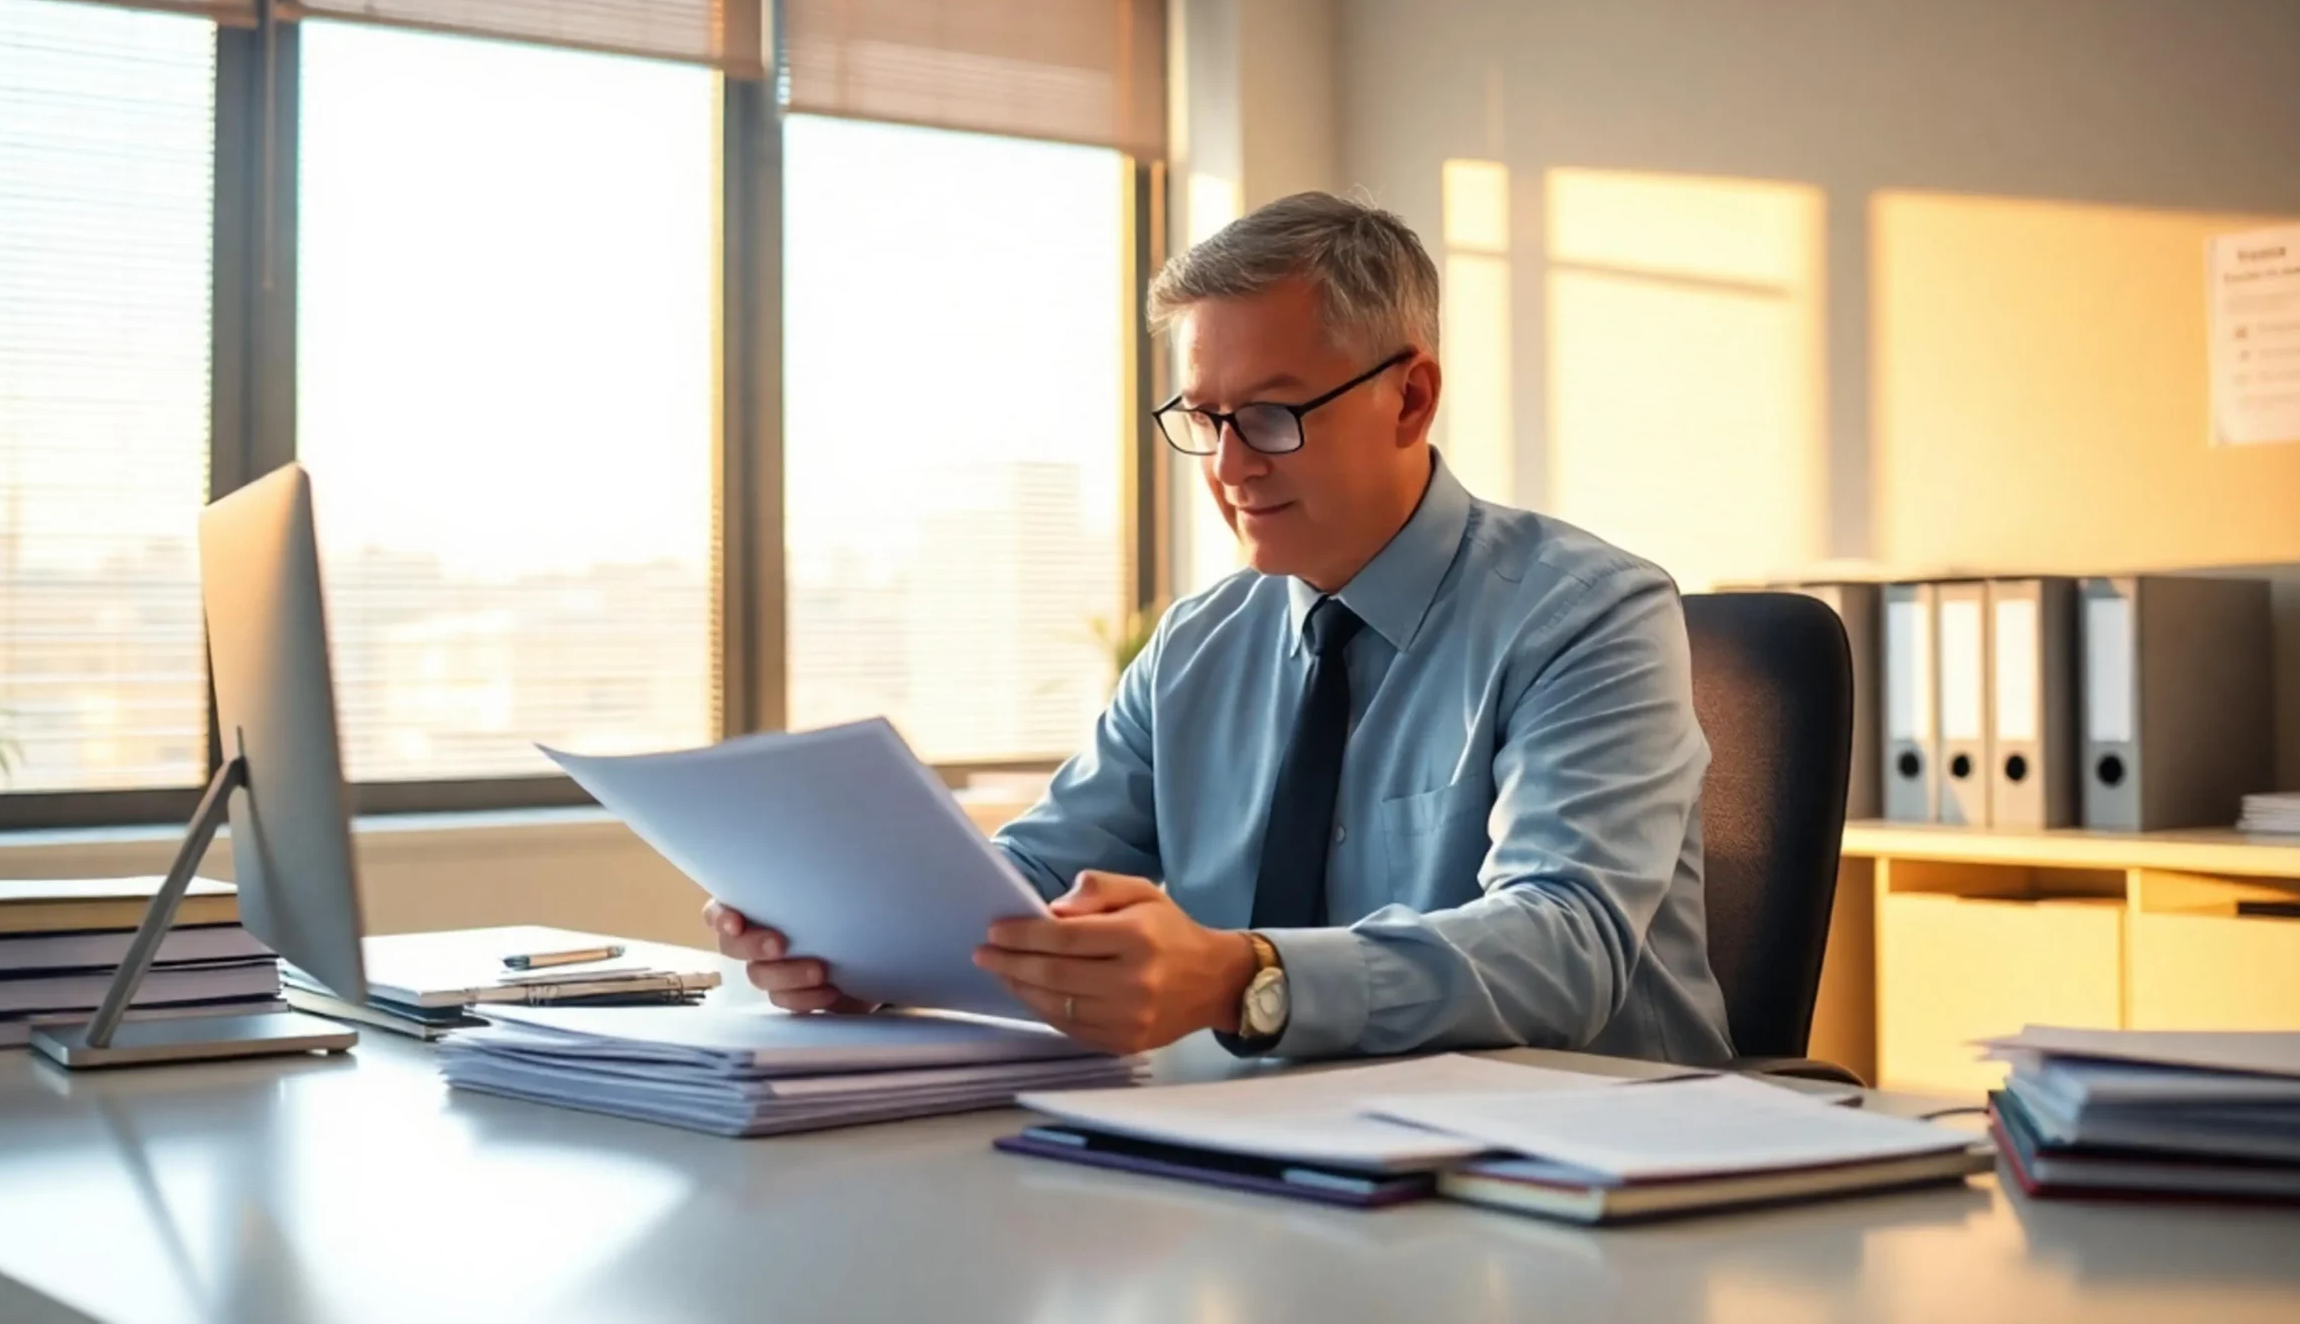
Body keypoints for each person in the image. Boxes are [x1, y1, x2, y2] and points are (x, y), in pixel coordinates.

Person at [706, 191, 1734, 1065]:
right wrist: (858, 938)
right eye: (1205, 419)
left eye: (1274, 416)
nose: (1233, 469)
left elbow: (1564, 945)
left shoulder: (1588, 614)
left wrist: (1249, 978)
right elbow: (1038, 874)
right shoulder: (1199, 643)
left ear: (1409, 397)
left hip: (1580, 1169)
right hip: (1273, 1157)